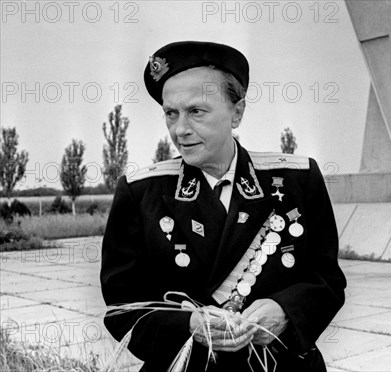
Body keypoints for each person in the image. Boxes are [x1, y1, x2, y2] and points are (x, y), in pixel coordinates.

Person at [100, 41, 346, 372]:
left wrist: (285, 310)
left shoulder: (296, 180)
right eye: (171, 113)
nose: (180, 130)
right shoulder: (141, 191)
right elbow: (122, 307)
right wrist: (188, 326)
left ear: (237, 112)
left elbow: (327, 278)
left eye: (196, 111)